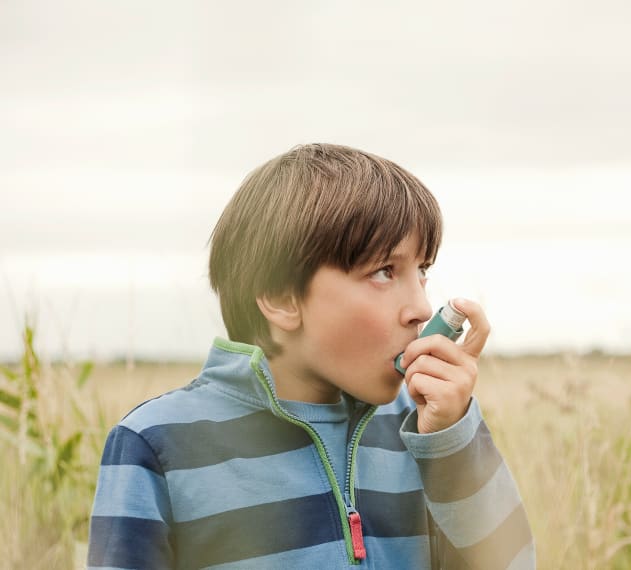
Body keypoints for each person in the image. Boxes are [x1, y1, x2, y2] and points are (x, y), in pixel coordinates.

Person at [87, 143, 536, 569]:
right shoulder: (158, 443)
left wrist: (453, 445)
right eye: (384, 271)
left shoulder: (422, 430)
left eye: (422, 271)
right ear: (282, 297)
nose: (421, 307)